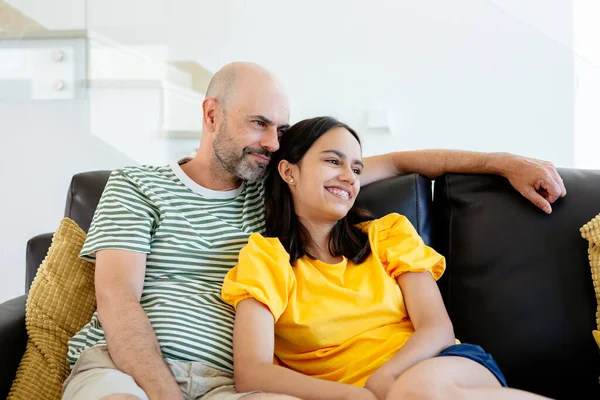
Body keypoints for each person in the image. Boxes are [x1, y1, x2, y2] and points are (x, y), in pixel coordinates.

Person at [61, 62, 565, 400]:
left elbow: (401, 162)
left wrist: (502, 162)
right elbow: (118, 301)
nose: (272, 142)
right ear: (212, 114)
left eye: (281, 130)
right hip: (127, 370)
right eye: (260, 124)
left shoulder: (284, 189)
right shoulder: (137, 186)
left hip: (225, 386)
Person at [221, 116, 551, 400]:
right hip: (362, 394)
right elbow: (253, 372)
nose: (350, 177)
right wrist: (353, 394)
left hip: (443, 366)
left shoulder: (386, 234)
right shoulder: (266, 258)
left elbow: (436, 328)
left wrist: (386, 379)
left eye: (357, 168)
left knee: (414, 391)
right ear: (289, 172)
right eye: (333, 162)